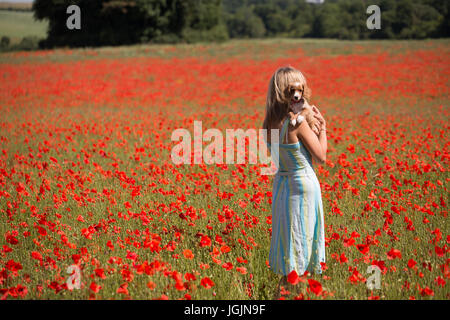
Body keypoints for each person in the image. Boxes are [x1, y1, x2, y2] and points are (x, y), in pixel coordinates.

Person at [262, 66, 327, 298]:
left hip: (282, 188)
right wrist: (323, 128)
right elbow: (320, 156)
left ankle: (283, 294)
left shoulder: (267, 124)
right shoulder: (297, 124)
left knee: (289, 252)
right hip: (303, 187)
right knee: (302, 253)